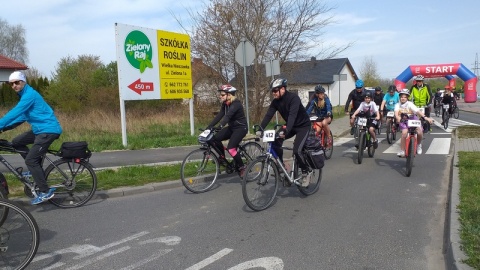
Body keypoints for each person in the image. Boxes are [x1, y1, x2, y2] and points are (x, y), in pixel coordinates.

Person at [0, 71, 62, 205]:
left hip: (48, 130)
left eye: (17, 82)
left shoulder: (29, 95)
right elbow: (21, 117)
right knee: (16, 142)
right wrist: (4, 128)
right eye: (11, 84)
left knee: (31, 160)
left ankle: (45, 192)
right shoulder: (26, 96)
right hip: (39, 130)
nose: (14, 86)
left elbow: (15, 112)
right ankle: (35, 171)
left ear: (23, 81)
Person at [259, 78, 312, 187]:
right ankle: (281, 165)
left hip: (303, 126)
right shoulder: (275, 102)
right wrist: (260, 128)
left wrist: (286, 131)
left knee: (297, 150)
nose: (273, 93)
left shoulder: (294, 98)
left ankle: (307, 172)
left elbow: (292, 116)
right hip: (290, 126)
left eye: (275, 90)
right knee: (274, 142)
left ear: (283, 89)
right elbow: (269, 115)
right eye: (272, 91)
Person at [207, 84, 248, 177]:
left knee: (231, 148)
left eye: (222, 95)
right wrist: (209, 127)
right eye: (220, 95)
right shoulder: (225, 104)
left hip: (241, 128)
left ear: (229, 95)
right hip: (232, 128)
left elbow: (228, 116)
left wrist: (221, 125)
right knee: (215, 139)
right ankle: (222, 158)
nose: (220, 96)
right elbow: (219, 116)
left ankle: (242, 167)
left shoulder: (236, 104)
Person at [394, 90, 433, 157]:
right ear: (399, 98)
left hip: (413, 119)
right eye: (401, 97)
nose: (403, 98)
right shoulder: (397, 105)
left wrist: (426, 118)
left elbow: (418, 112)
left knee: (419, 132)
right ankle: (402, 150)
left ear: (407, 98)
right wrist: (398, 118)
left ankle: (418, 144)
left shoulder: (410, 104)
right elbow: (396, 113)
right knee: (404, 133)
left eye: (405, 97)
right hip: (403, 121)